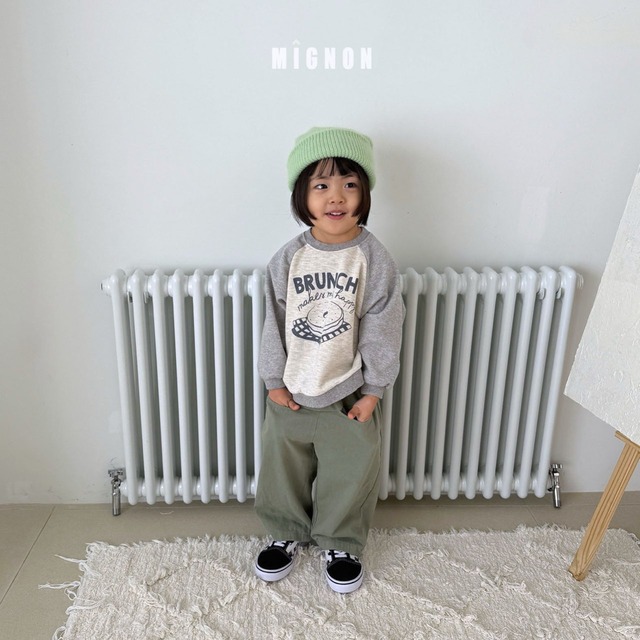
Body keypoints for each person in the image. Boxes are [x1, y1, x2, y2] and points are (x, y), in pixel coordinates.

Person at [254, 126, 404, 594]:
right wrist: (273, 380)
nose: (336, 196)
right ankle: (284, 532)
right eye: (321, 185)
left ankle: (341, 541)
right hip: (292, 390)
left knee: (350, 471)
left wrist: (374, 389)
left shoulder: (372, 258)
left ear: (364, 193)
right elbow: (273, 320)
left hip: (349, 393)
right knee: (283, 468)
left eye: (349, 184)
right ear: (302, 195)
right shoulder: (289, 258)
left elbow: (383, 325)